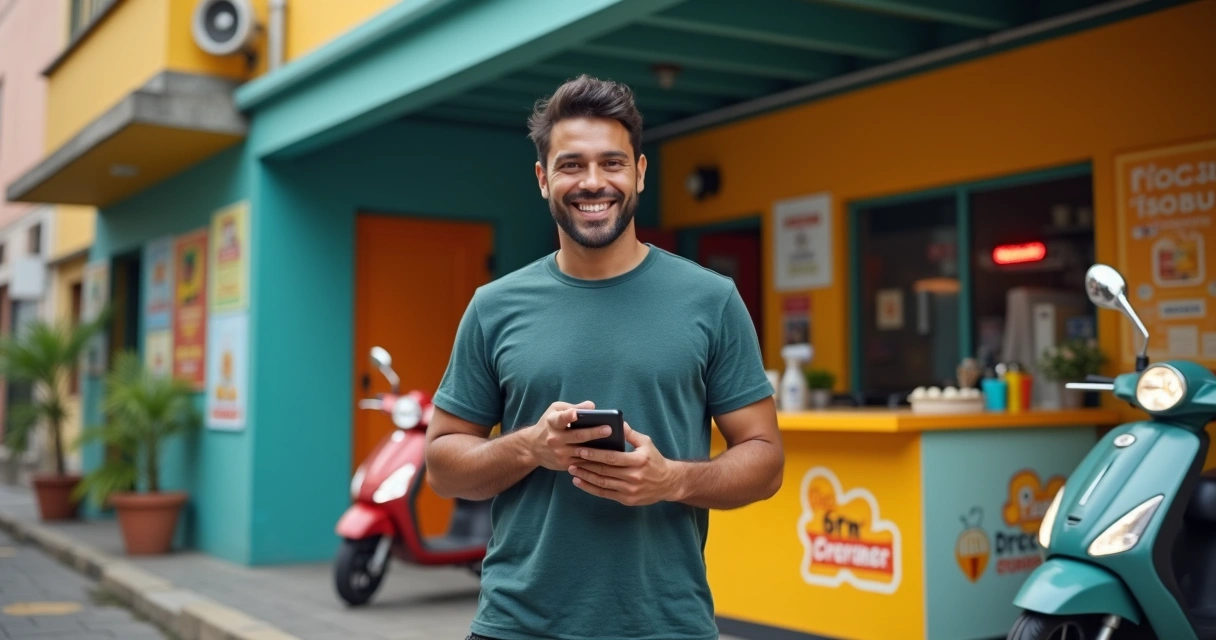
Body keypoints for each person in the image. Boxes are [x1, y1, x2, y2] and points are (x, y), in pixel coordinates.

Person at [425, 74, 784, 640]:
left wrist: (671, 480)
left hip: (666, 624)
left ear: (639, 172)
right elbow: (443, 467)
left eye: (612, 163)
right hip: (519, 625)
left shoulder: (712, 300)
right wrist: (531, 446)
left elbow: (765, 461)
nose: (593, 182)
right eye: (571, 165)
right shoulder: (493, 307)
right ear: (544, 180)